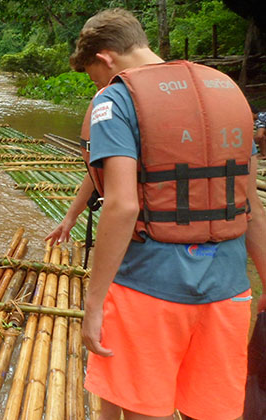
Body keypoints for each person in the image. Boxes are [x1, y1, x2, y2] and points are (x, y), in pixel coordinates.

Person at [69, 9, 266, 420]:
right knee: (212, 411)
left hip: (147, 290)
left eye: (94, 75)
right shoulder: (226, 90)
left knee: (140, 409)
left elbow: (123, 205)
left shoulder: (116, 98)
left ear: (106, 58)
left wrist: (94, 303)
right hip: (229, 292)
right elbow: (253, 208)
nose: (99, 84)